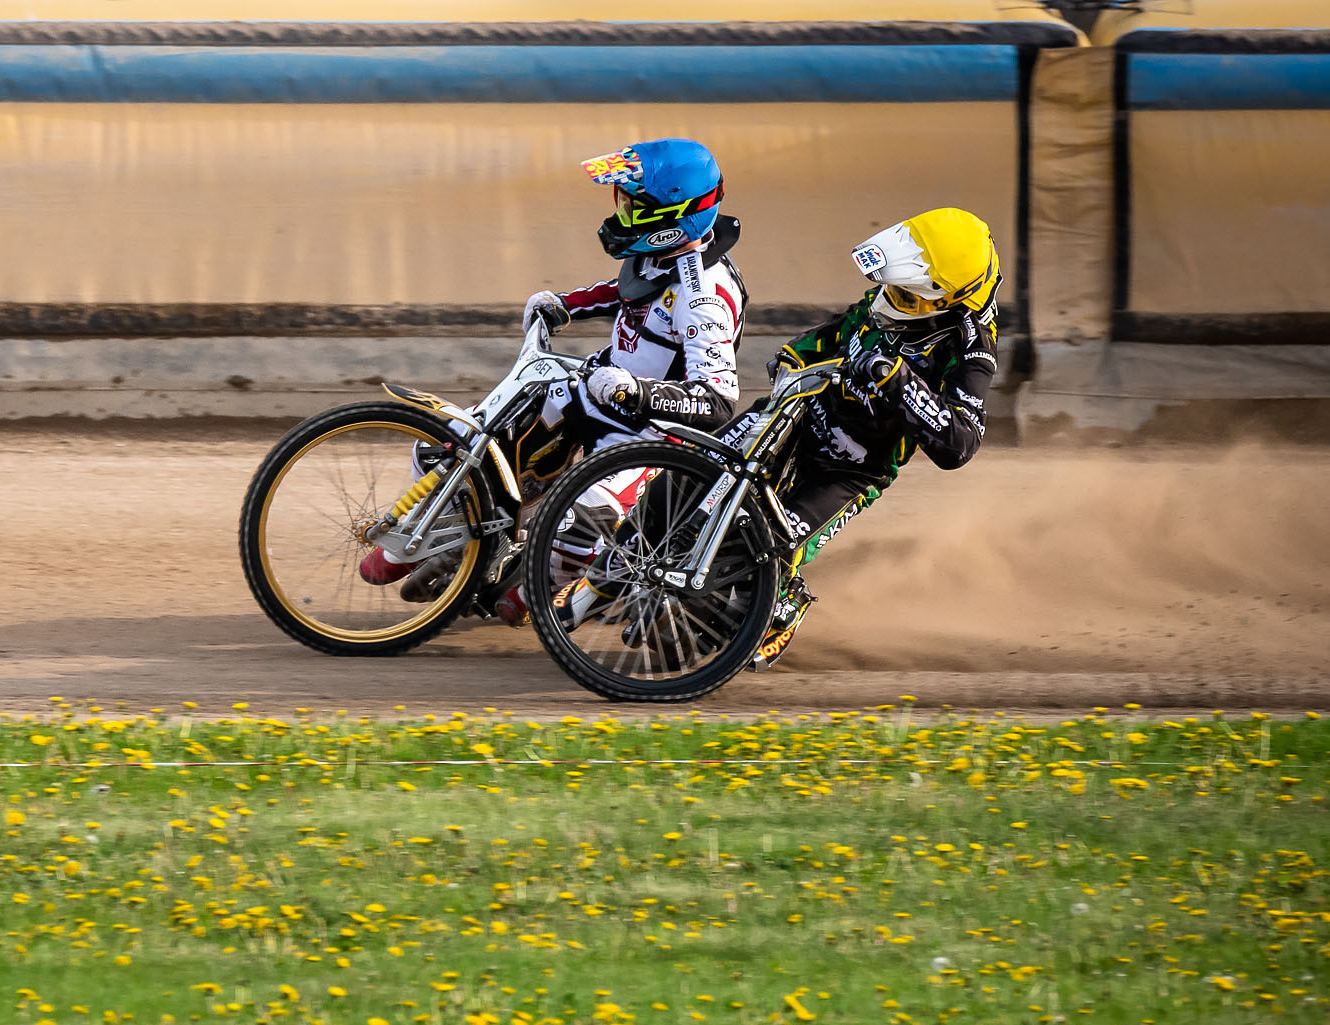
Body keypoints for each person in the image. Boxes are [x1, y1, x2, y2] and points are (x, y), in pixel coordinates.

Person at [359, 137, 746, 621]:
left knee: (574, 532)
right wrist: (567, 304)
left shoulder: (704, 296)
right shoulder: (665, 255)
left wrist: (634, 390)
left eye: (632, 206)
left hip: (649, 434)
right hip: (595, 393)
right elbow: (627, 292)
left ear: (671, 216)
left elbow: (717, 400)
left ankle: (534, 588)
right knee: (461, 443)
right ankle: (465, 536)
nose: (619, 213)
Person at [744, 207, 1001, 669]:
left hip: (853, 469)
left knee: (776, 545)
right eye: (896, 287)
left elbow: (960, 444)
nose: (893, 297)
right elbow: (835, 332)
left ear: (947, 297)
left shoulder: (971, 349)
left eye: (908, 293)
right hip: (802, 418)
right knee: (706, 462)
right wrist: (790, 357)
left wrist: (899, 380)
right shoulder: (892, 300)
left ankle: (783, 604)